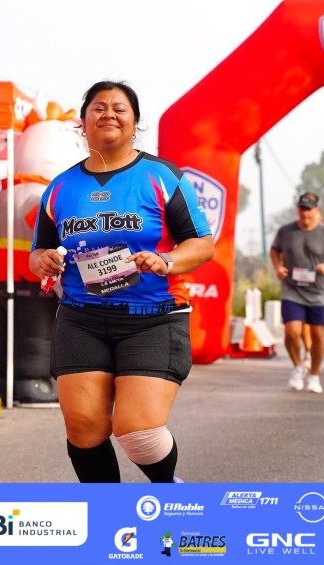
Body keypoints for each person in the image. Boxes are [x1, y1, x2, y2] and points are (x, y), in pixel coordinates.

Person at [29, 81, 213, 483]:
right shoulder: (60, 187)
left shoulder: (161, 176)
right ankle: (107, 513)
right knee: (84, 429)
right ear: (82, 123)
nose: (108, 114)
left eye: (119, 108)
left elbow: (202, 245)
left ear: (135, 122)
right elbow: (38, 250)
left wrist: (165, 260)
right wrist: (42, 260)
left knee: (138, 431)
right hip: (81, 318)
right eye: (98, 108)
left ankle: (169, 491)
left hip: (154, 317)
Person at [270, 192, 324, 394]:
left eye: (309, 209)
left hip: (317, 291)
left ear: (316, 210)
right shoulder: (286, 231)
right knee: (291, 331)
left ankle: (314, 375)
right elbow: (275, 250)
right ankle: (297, 367)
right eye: (302, 208)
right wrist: (278, 267)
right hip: (292, 289)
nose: (305, 213)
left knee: (317, 335)